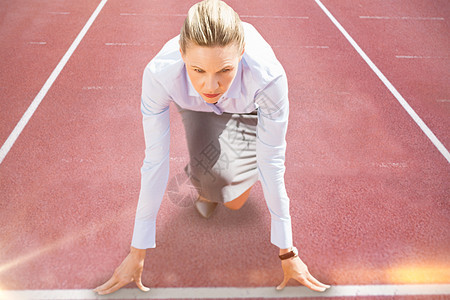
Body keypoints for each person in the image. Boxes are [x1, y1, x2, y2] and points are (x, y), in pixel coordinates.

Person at [94, 0, 330, 295]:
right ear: (181, 55)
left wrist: (287, 252)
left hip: (246, 106)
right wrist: (137, 251)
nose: (210, 85)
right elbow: (155, 161)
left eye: (224, 70)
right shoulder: (159, 75)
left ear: (241, 55)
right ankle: (208, 180)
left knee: (233, 199)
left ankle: (223, 174)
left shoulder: (268, 79)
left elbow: (271, 162)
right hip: (192, 106)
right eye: (198, 69)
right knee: (207, 181)